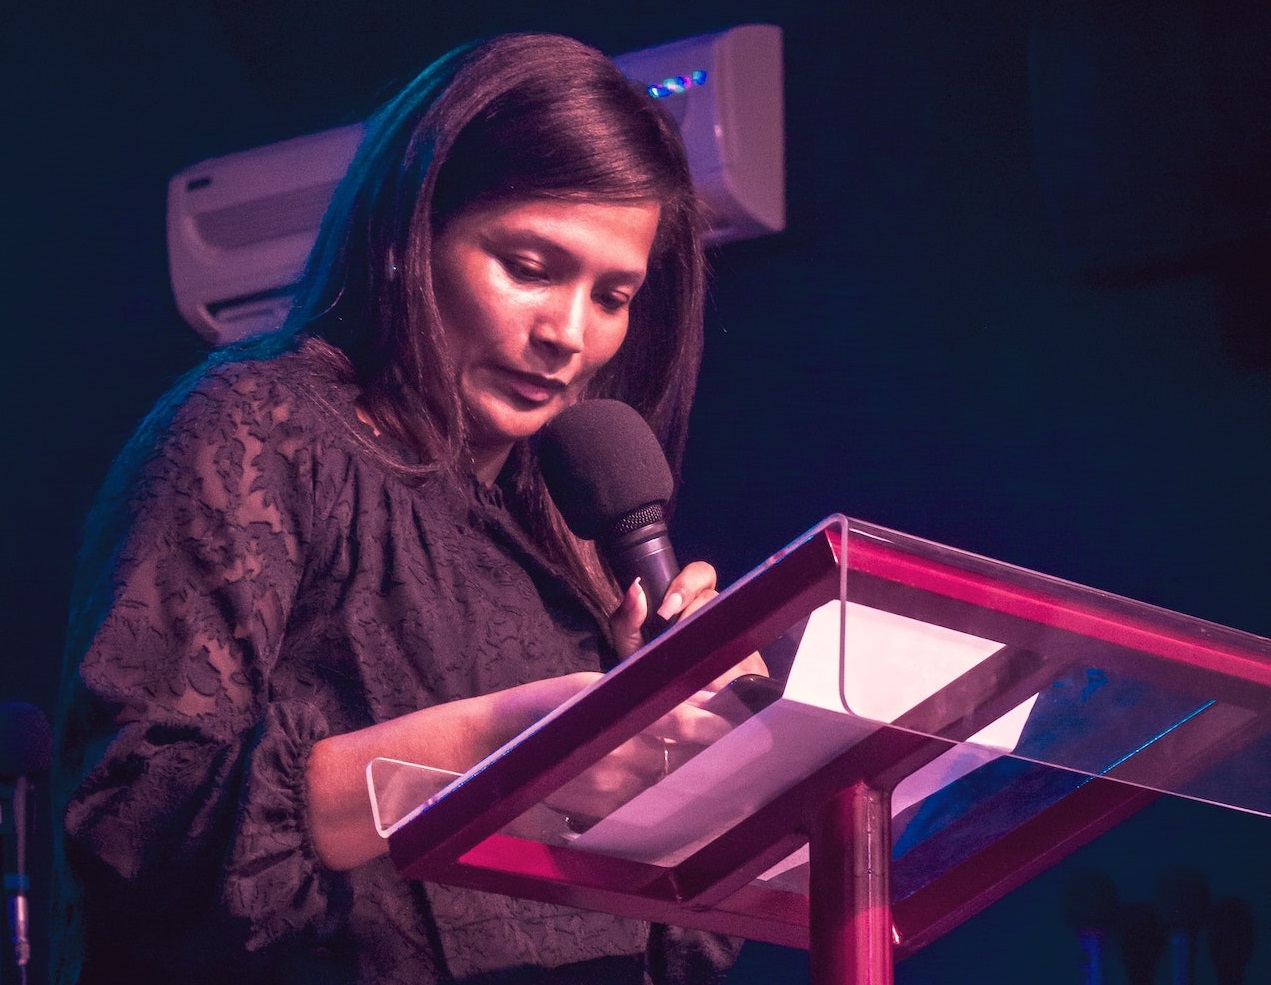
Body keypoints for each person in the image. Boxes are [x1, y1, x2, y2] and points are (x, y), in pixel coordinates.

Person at [52, 32, 761, 985]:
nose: (568, 334)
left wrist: (699, 751)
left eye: (612, 294)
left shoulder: (569, 521)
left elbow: (675, 939)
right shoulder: (255, 429)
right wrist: (497, 748)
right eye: (528, 265)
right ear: (411, 235)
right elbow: (138, 831)